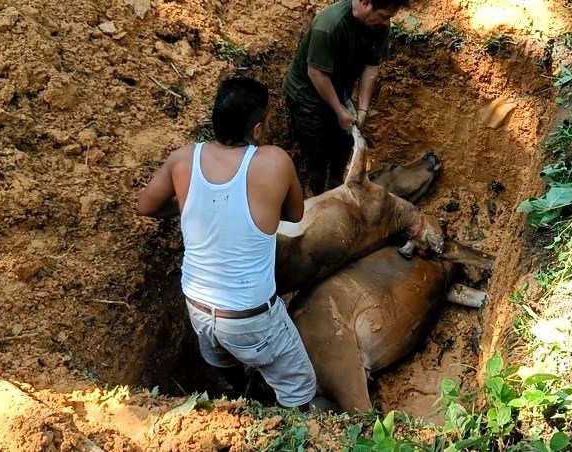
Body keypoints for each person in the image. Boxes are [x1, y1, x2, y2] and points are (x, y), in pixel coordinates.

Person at [136, 77, 317, 411]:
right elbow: (294, 213)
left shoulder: (183, 158)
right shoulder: (275, 161)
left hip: (198, 306)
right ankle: (294, 427)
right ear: (258, 129)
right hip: (251, 316)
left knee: (219, 355)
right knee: (300, 387)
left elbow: (145, 206)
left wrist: (192, 201)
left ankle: (244, 389)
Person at [284, 0, 409, 196]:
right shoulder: (330, 25)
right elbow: (316, 73)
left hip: (339, 89)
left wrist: (362, 109)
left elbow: (371, 66)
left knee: (343, 145)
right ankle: (318, 196)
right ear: (366, 3)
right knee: (316, 155)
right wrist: (339, 110)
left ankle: (336, 186)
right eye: (384, 16)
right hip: (307, 96)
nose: (386, 23)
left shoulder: (378, 25)